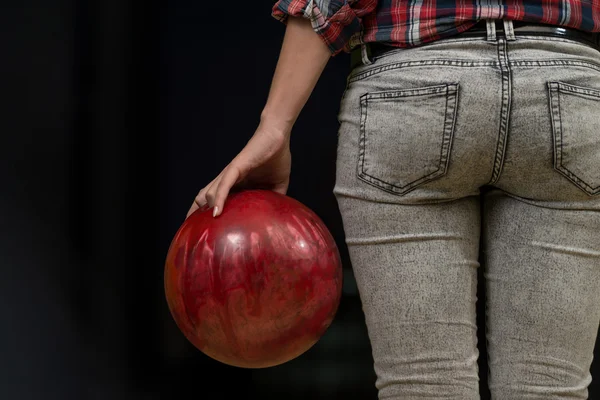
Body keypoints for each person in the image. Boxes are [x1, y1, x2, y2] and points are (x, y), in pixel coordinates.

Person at [187, 1, 600, 398]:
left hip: (412, 92)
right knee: (550, 388)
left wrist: (274, 125)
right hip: (573, 89)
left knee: (424, 385)